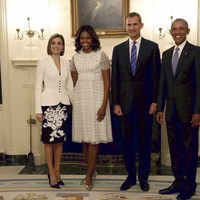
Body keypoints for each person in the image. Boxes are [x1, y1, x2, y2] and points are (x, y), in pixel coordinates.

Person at [111, 12, 161, 191]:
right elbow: (115, 78)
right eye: (128, 25)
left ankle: (143, 178)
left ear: (141, 25)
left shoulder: (152, 47)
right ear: (126, 27)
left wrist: (156, 101)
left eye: (134, 24)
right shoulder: (118, 50)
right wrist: (115, 103)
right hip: (124, 105)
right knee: (127, 143)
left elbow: (157, 77)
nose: (131, 28)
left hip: (146, 105)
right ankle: (131, 177)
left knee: (145, 143)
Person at [156, 18, 200, 200]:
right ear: (170, 31)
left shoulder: (196, 52)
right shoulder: (166, 54)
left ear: (188, 31)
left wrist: (198, 111)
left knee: (189, 149)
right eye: (174, 29)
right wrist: (160, 108)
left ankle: (189, 184)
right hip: (171, 111)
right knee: (175, 148)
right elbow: (163, 84)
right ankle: (178, 181)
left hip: (190, 112)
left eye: (181, 29)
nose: (177, 32)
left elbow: (199, 85)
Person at [71, 25, 113, 191]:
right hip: (81, 100)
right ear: (79, 40)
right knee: (85, 138)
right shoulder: (75, 57)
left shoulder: (100, 55)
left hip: (97, 99)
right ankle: (91, 170)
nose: (85, 41)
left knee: (94, 138)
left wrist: (103, 105)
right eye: (82, 38)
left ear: (93, 39)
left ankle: (88, 175)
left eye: (88, 38)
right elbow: (74, 82)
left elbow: (107, 82)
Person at [35, 33, 73, 189]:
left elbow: (69, 86)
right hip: (48, 106)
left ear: (63, 46)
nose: (56, 45)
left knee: (59, 141)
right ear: (50, 45)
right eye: (53, 43)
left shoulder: (66, 62)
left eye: (59, 43)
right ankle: (51, 173)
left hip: (62, 105)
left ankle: (57, 172)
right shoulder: (42, 62)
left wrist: (75, 105)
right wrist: (38, 110)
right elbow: (38, 86)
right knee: (48, 142)